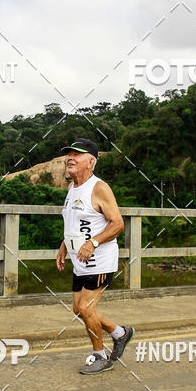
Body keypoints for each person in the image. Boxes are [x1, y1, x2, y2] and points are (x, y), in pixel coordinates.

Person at [56, 138, 134, 374]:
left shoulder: (99, 188)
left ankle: (101, 356)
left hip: (99, 260)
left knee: (86, 308)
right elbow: (74, 223)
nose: (71, 157)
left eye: (77, 154)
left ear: (90, 162)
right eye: (69, 154)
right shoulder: (72, 188)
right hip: (79, 260)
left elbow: (118, 223)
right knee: (78, 309)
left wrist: (94, 242)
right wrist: (63, 247)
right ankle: (120, 333)